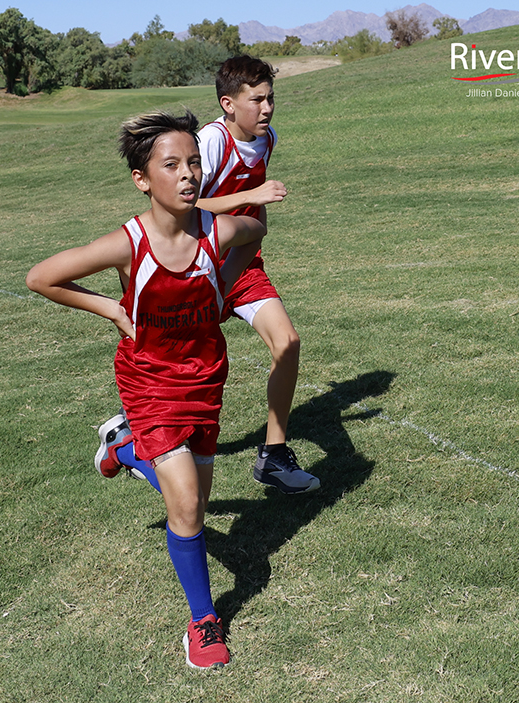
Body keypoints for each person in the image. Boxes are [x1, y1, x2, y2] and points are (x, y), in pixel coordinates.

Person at [26, 110, 266, 669]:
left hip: (205, 375)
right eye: (172, 165)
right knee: (185, 505)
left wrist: (223, 288)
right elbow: (41, 277)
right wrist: (110, 306)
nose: (188, 175)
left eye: (195, 163)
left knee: (196, 505)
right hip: (149, 381)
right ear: (142, 178)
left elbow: (254, 231)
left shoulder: (218, 230)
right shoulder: (127, 243)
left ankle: (122, 448)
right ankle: (203, 625)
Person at [196, 55, 318, 494]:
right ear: (228, 103)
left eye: (271, 99)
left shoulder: (266, 140)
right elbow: (181, 209)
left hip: (243, 265)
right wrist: (252, 194)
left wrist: (257, 221)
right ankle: (133, 428)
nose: (267, 109)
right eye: (257, 100)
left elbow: (257, 203)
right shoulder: (208, 142)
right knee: (180, 371)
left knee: (287, 342)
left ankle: (273, 455)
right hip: (196, 272)